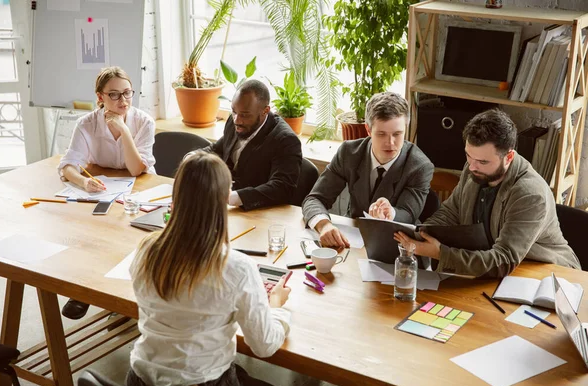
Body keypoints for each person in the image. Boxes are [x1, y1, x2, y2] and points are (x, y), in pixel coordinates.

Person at [126, 151, 291, 386]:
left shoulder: (146, 249)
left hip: (139, 383)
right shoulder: (236, 267)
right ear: (224, 198)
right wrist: (276, 306)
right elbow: (264, 346)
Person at [388, 109, 580, 277]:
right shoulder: (474, 168)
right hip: (498, 269)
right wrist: (419, 235)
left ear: (509, 157)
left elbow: (503, 260)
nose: (472, 166)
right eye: (468, 156)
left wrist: (440, 253)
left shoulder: (530, 194)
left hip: (547, 275)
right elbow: (451, 212)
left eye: (483, 162)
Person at [58, 66, 156, 319]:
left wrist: (124, 130)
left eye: (127, 93)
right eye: (114, 95)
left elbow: (136, 169)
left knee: (132, 235)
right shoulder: (87, 124)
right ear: (100, 97)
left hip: (142, 188)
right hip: (104, 187)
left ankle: (129, 297)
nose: (123, 100)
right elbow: (68, 165)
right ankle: (84, 290)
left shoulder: (143, 121)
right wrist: (82, 182)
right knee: (93, 233)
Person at [302, 92, 433, 248]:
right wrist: (324, 225)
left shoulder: (420, 166)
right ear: (368, 130)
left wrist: (391, 213)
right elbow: (314, 199)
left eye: (397, 134)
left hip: (396, 245)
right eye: (381, 134)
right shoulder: (348, 153)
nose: (390, 143)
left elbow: (409, 214)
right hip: (353, 240)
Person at [206, 79, 302, 211]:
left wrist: (231, 198)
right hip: (223, 207)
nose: (237, 120)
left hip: (258, 212)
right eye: (234, 112)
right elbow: (217, 150)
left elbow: (282, 187)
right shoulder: (234, 120)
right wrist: (192, 158)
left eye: (245, 115)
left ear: (265, 111)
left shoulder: (285, 140)